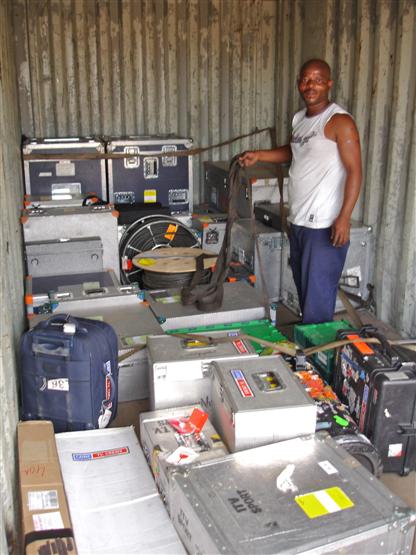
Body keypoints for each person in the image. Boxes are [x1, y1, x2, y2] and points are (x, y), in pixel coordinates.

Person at [239, 58, 362, 324]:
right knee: (306, 293)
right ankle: (310, 342)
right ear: (299, 83)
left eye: (317, 80)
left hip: (324, 225)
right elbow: (295, 150)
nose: (310, 85)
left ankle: (317, 347)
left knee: (318, 299)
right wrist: (259, 155)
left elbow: (355, 171)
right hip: (299, 221)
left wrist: (344, 218)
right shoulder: (300, 119)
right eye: (306, 79)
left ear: (329, 84)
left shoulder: (339, 121)